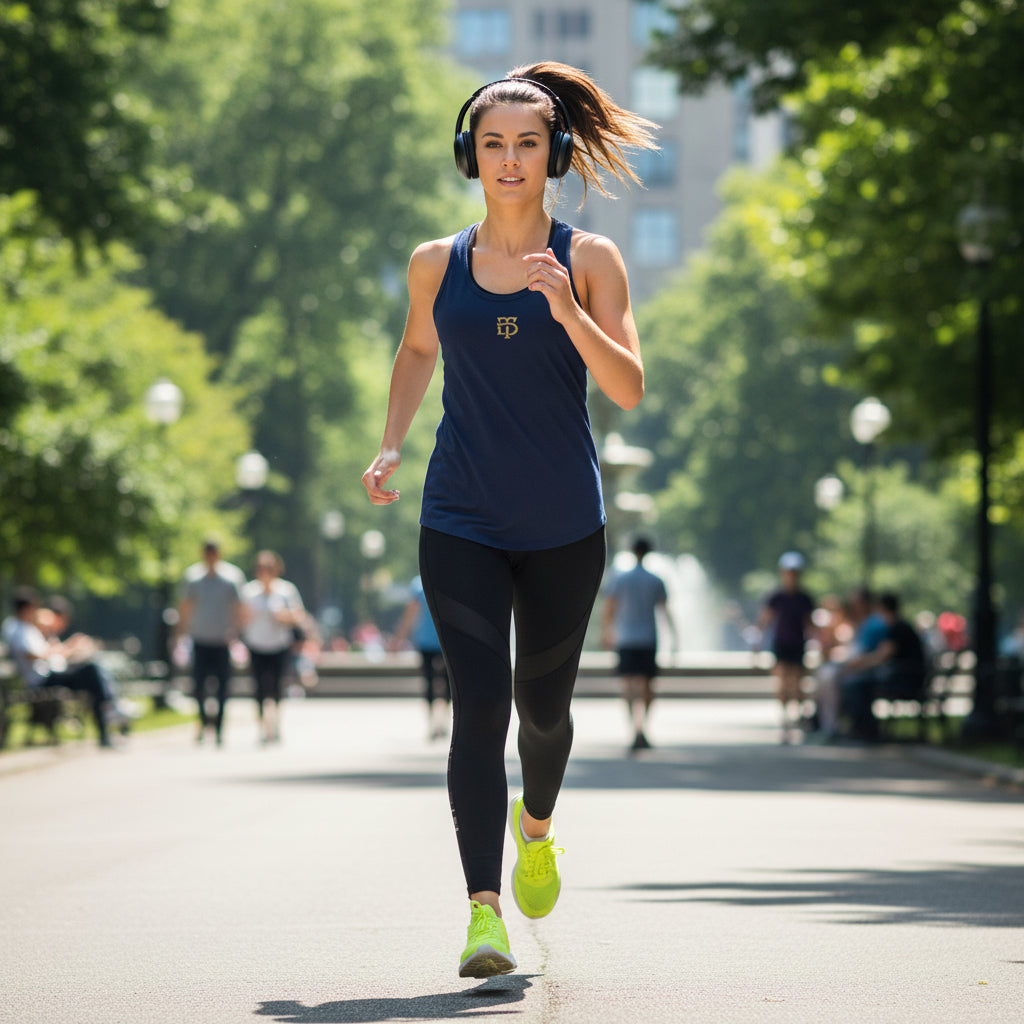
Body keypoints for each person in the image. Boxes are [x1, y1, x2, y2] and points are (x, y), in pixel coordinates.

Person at [361, 62, 656, 978]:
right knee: (479, 703)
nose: (510, 159)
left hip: (566, 521)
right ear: (469, 156)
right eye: (493, 143)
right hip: (461, 517)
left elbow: (629, 390)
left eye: (528, 142)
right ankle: (482, 912)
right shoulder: (434, 264)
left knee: (543, 712)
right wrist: (391, 444)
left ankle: (539, 828)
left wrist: (566, 308)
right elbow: (417, 349)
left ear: (556, 153)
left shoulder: (592, 260)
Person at [5, 587, 119, 748]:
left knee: (93, 673)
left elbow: (42, 652)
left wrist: (63, 648)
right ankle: (110, 711)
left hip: (49, 675)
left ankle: (109, 715)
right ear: (28, 607)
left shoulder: (26, 628)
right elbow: (33, 654)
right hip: (41, 680)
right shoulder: (16, 628)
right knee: (92, 672)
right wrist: (66, 648)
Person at [601, 536, 674, 752]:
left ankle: (634, 727)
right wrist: (674, 636)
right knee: (647, 686)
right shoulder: (655, 579)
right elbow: (664, 610)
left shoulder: (620, 578)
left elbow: (610, 607)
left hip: (626, 638)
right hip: (648, 638)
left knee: (628, 685)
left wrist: (607, 631)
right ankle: (643, 728)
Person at [175, 539, 245, 746]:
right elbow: (185, 607)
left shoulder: (232, 577)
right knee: (198, 685)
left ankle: (220, 728)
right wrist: (180, 633)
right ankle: (204, 722)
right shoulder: (193, 577)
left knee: (223, 687)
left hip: (223, 640)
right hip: (199, 638)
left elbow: (238, 608)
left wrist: (237, 633)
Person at [840, 590, 927, 742]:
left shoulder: (897, 629)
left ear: (883, 609)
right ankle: (865, 727)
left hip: (906, 680)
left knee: (855, 685)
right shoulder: (899, 627)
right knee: (857, 683)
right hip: (906, 676)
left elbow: (881, 656)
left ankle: (867, 729)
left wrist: (859, 666)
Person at [240, 550, 306, 745]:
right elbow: (241, 618)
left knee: (277, 685)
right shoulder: (249, 592)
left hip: (278, 644)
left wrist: (283, 616)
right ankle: (262, 726)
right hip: (256, 643)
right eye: (261, 567)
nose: (264, 571)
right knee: (259, 687)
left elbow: (298, 616)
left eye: (268, 567)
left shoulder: (286, 591)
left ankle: (275, 722)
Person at [756, 551, 816, 744]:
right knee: (781, 684)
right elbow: (765, 620)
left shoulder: (804, 598)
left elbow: (809, 624)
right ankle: (784, 723)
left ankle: (796, 720)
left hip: (798, 644)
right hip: (781, 644)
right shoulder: (776, 596)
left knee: (797, 685)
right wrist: (757, 642)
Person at [391, 575, 452, 740]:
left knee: (436, 682)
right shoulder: (423, 584)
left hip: (437, 641)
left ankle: (439, 721)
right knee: (440, 682)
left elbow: (410, 614)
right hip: (436, 641)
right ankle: (436, 722)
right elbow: (411, 614)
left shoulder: (420, 583)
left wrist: (399, 638)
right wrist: (399, 638)